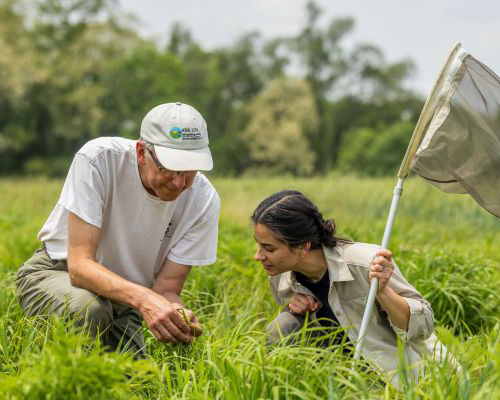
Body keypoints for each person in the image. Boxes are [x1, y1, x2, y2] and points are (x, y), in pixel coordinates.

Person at [16, 102, 220, 357]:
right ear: (142, 152)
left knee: (136, 383)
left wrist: (176, 314)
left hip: (124, 299)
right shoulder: (98, 159)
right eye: (170, 168)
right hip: (58, 271)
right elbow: (79, 267)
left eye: (190, 170)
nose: (180, 182)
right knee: (89, 310)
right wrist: (145, 301)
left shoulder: (204, 200)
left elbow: (166, 288)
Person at [252, 190, 449, 387]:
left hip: (399, 372)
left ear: (303, 247)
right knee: (283, 325)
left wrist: (382, 292)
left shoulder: (366, 264)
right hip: (342, 372)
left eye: (269, 248)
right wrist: (292, 307)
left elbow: (424, 324)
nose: (258, 255)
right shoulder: (280, 276)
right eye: (259, 246)